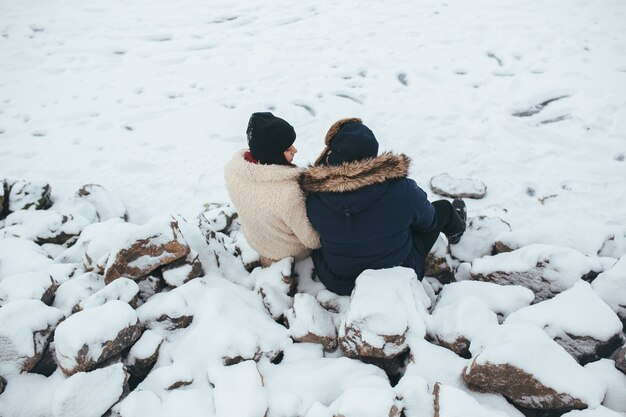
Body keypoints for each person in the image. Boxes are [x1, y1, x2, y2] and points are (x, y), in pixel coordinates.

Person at [299, 118, 466, 295]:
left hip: (338, 280)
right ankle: (456, 231)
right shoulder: (401, 189)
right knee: (443, 208)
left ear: (331, 155)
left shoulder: (315, 197)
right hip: (397, 272)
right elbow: (429, 222)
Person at [224, 112, 320, 266]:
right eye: (288, 149)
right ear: (274, 154)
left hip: (258, 243)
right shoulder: (288, 192)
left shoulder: (233, 171)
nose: (295, 150)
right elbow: (312, 241)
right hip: (291, 253)